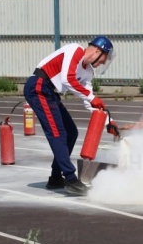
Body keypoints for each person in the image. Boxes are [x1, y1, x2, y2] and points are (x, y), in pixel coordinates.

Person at [24, 36, 120, 197]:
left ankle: (56, 178)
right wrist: (91, 98)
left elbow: (89, 101)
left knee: (71, 132)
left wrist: (108, 122)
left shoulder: (88, 72)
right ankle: (71, 179)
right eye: (105, 58)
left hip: (50, 93)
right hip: (39, 87)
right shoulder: (74, 50)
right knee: (57, 133)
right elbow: (67, 79)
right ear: (98, 51)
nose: (104, 62)